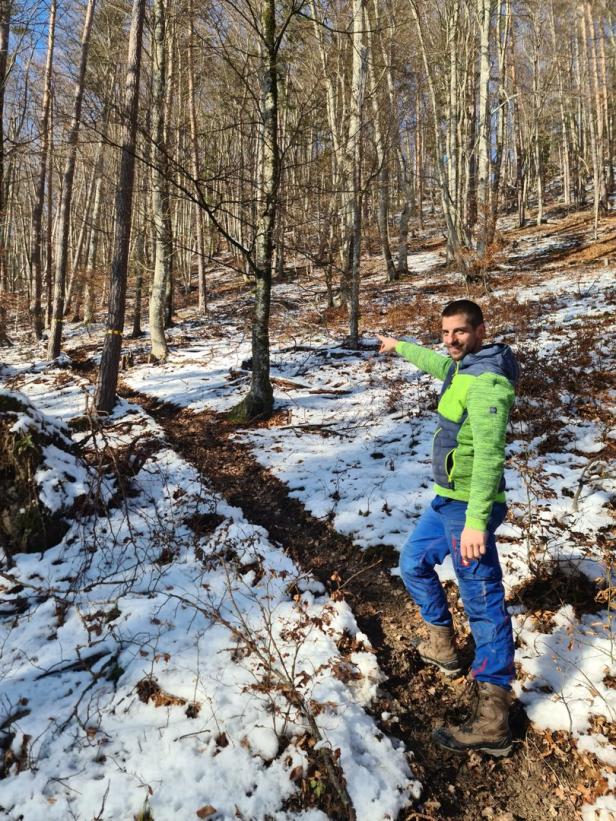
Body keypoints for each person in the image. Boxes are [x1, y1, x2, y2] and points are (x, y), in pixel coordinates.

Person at [377, 299, 518, 757]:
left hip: (468, 511)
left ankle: (494, 719)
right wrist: (399, 346)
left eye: (460, 332)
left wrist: (477, 523)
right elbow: (439, 362)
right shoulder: (463, 366)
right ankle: (443, 646)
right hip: (447, 503)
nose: (450, 340)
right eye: (445, 333)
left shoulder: (487, 380)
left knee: (482, 600)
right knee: (412, 562)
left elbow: (491, 456)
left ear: (480, 330)